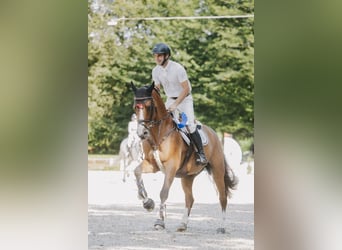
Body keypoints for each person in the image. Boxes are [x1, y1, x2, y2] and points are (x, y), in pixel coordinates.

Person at [151, 42, 208, 165]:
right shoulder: (155, 71)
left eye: (159, 56)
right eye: (155, 56)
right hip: (170, 99)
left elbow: (186, 89)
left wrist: (176, 104)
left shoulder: (178, 68)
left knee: (189, 125)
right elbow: (157, 89)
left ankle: (201, 154)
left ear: (167, 56)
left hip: (185, 99)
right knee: (159, 121)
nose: (157, 58)